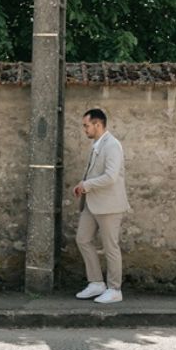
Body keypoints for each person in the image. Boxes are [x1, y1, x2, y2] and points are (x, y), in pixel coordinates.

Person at [73, 108, 130, 304]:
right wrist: (83, 186)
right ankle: (96, 283)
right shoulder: (98, 144)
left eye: (86, 125)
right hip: (92, 203)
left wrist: (86, 185)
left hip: (109, 205)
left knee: (110, 247)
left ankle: (115, 289)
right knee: (82, 239)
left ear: (98, 125)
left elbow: (111, 176)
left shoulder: (112, 145)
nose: (84, 129)